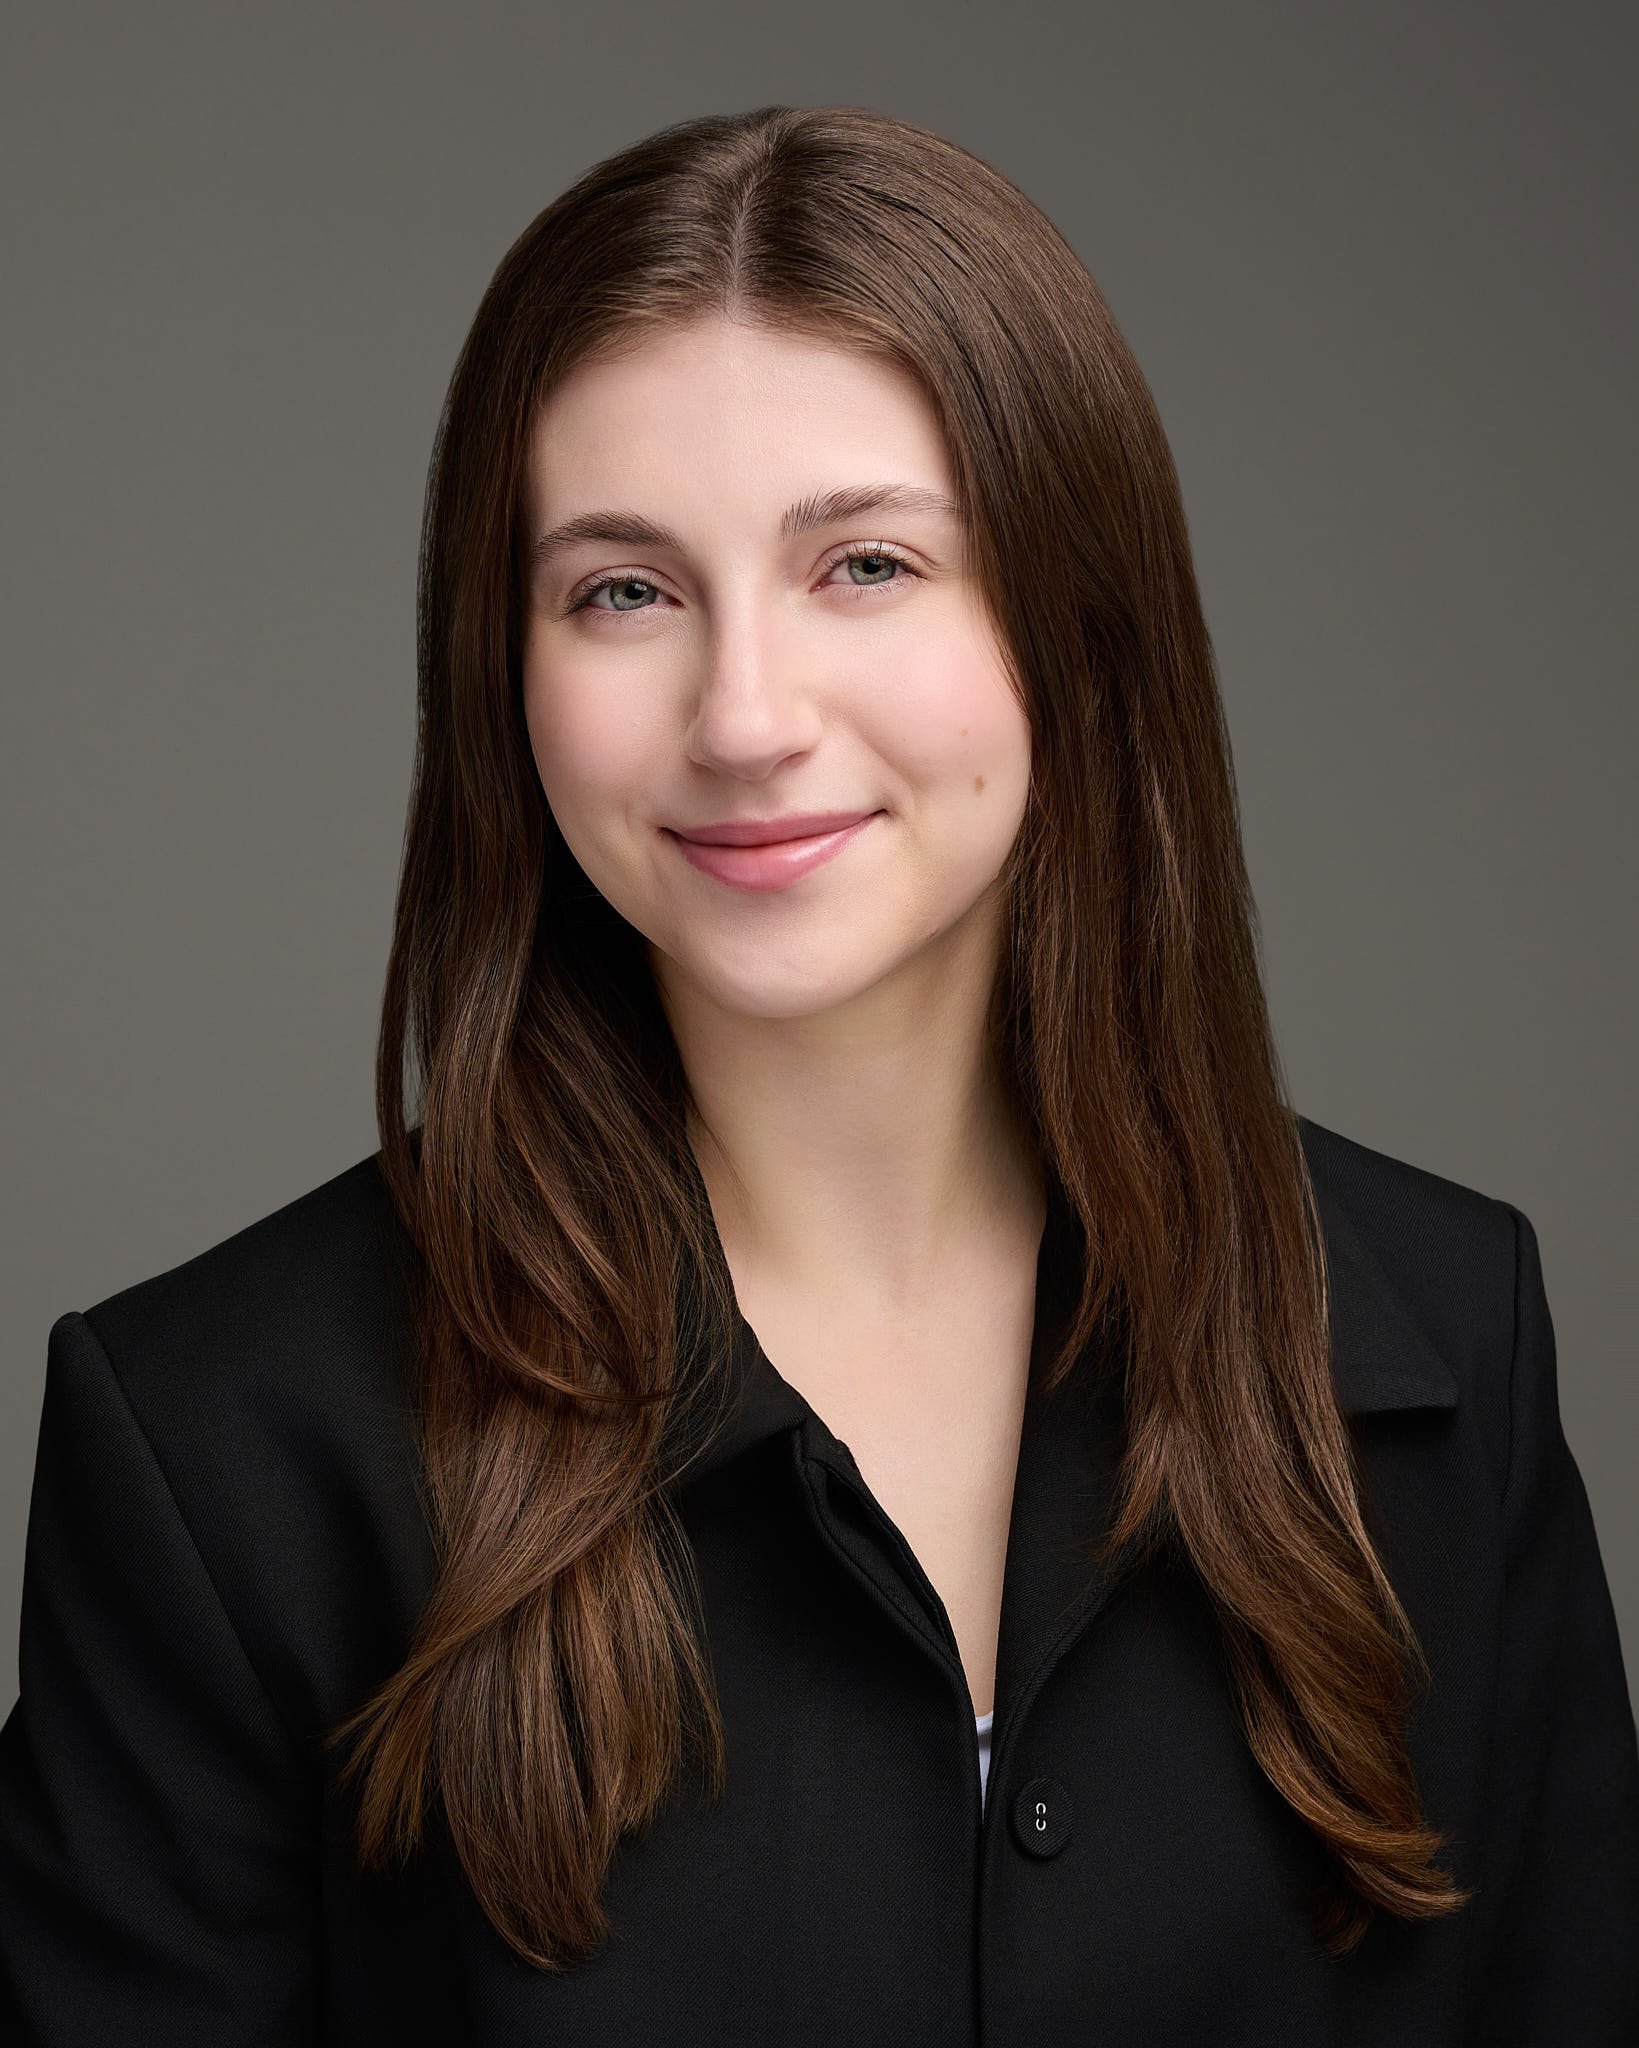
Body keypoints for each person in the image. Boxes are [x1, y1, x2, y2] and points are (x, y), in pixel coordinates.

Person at [2, 102, 1635, 2046]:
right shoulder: (217, 1444)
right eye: (623, 588)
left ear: (1072, 622)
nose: (747, 716)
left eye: (863, 563)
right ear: (500, 671)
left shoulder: (1449, 1338)